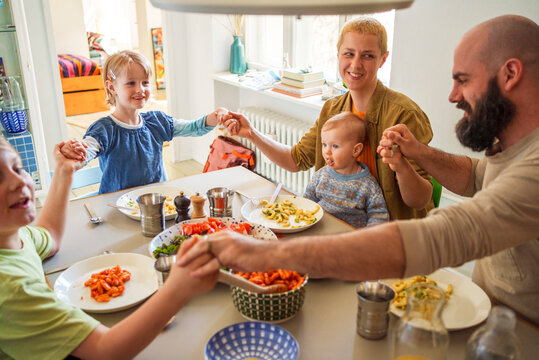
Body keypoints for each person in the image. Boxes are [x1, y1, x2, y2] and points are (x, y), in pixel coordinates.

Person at [178, 15, 539, 324]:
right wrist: (420, 152)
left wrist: (265, 254)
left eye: (463, 79)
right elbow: (477, 177)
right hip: (490, 310)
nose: (452, 96)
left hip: (509, 319)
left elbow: (445, 231)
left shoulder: (528, 168)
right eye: (348, 54)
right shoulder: (506, 149)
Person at [0, 136, 218, 359]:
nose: (18, 181)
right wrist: (178, 288)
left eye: (17, 167)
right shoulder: (11, 290)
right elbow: (105, 350)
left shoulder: (15, 236)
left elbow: (50, 238)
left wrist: (64, 172)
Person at [225, 16, 434, 220]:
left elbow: (420, 200)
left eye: (368, 56)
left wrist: (400, 165)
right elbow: (296, 160)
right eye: (349, 54)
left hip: (390, 236)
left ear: (383, 59)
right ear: (338, 55)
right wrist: (251, 134)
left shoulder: (405, 115)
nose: (355, 64)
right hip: (337, 228)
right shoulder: (332, 110)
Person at [61, 50, 228, 194]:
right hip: (118, 206)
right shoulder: (104, 129)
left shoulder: (157, 122)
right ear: (112, 87)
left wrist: (215, 117)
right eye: (131, 83)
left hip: (160, 201)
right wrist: (75, 151)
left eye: (145, 82)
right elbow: (86, 151)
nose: (140, 89)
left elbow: (194, 128)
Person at [304, 112, 389, 228]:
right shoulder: (320, 175)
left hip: (350, 240)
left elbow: (379, 217)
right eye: (324, 144)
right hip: (320, 233)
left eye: (335, 146)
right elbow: (307, 202)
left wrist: (368, 239)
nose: (327, 151)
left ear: (356, 150)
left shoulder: (367, 185)